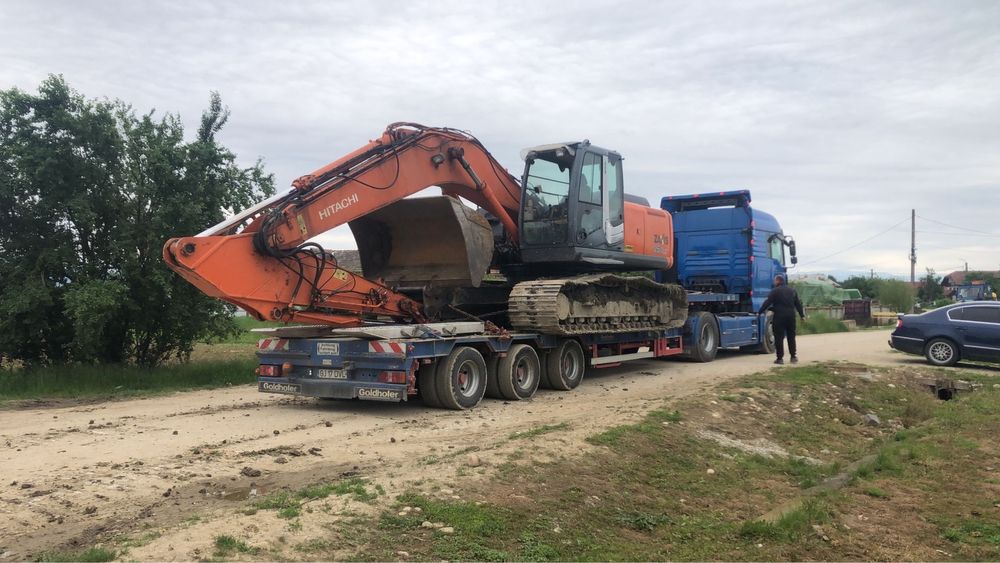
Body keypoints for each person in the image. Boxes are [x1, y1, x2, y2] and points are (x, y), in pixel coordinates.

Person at [758, 274, 806, 365]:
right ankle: (793, 357)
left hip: (779, 317)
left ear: (777, 281)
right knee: (791, 337)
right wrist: (802, 316)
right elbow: (798, 304)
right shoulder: (792, 291)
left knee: (779, 337)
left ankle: (780, 359)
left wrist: (759, 312)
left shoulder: (775, 291)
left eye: (774, 281)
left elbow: (767, 302)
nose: (774, 282)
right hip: (791, 317)